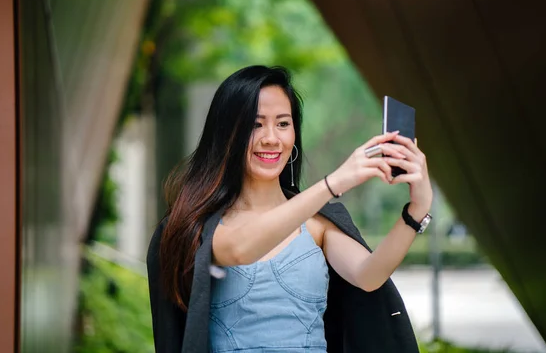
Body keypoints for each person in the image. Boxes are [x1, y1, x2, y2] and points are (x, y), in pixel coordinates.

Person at [146, 65, 434, 353]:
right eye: (255, 124)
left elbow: (369, 276)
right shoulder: (204, 227)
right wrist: (333, 183)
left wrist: (417, 209)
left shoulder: (319, 224)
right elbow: (241, 250)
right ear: (227, 135)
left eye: (283, 124)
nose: (271, 138)